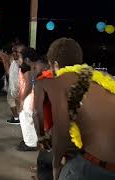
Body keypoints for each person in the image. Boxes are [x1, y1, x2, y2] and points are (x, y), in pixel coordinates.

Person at [34, 38, 115, 180]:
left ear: (55, 65)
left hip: (96, 167)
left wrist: (56, 164)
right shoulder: (101, 78)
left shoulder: (59, 82)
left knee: (52, 163)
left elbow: (61, 131)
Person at [16, 47, 39, 152]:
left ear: (27, 60)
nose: (19, 59)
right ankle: (30, 140)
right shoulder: (33, 67)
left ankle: (30, 143)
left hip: (30, 96)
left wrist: (21, 101)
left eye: (20, 57)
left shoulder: (27, 69)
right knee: (27, 117)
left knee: (25, 116)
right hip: (33, 95)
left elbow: (29, 86)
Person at [6, 44, 26, 124]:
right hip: (16, 86)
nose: (14, 53)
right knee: (14, 101)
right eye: (13, 51)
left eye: (16, 52)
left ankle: (17, 118)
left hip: (18, 87)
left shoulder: (22, 61)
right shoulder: (16, 60)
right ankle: (19, 117)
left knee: (12, 100)